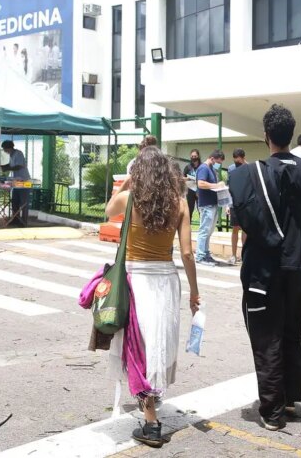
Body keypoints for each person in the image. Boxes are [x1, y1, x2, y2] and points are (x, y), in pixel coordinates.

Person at [231, 104, 301, 431]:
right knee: (291, 329)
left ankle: (272, 411)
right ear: (290, 133)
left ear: (266, 136)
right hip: (298, 262)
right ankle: (289, 396)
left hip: (263, 267)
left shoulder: (250, 175)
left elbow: (241, 221)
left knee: (266, 334)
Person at [104, 146, 200, 448]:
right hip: (166, 281)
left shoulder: (128, 198)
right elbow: (186, 252)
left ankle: (151, 421)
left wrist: (127, 184)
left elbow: (108, 211)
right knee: (158, 342)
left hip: (136, 279)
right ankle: (152, 401)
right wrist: (195, 292)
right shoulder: (179, 203)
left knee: (138, 346)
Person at [195, 149, 225, 266]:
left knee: (209, 231)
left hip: (212, 204)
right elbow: (201, 183)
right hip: (206, 204)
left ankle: (206, 253)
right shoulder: (204, 168)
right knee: (204, 230)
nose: (218, 164)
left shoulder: (212, 169)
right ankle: (200, 255)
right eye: (218, 161)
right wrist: (216, 185)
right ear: (212, 158)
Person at [0, 140, 31, 227]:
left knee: (23, 203)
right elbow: (10, 165)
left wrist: (7, 169)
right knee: (14, 202)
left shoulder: (18, 154)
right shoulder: (11, 155)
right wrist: (1, 166)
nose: (5, 151)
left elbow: (18, 166)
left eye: (5, 149)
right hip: (17, 182)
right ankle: (15, 219)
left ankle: (24, 221)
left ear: (9, 148)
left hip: (24, 181)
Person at [227, 148, 247, 265]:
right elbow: (230, 187)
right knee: (235, 229)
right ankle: (233, 255)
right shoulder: (231, 168)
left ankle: (244, 255)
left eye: (238, 161)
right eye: (235, 161)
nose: (236, 163)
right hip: (234, 203)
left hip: (245, 204)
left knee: (245, 230)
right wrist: (228, 205)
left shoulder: (249, 168)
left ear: (243, 158)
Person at [182, 149, 200, 222]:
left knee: (201, 210)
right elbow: (182, 177)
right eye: (192, 156)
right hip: (190, 190)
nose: (193, 157)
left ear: (198, 156)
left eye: (195, 156)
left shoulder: (202, 166)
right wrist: (188, 178)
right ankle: (188, 226)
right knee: (189, 209)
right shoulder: (188, 167)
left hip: (200, 191)